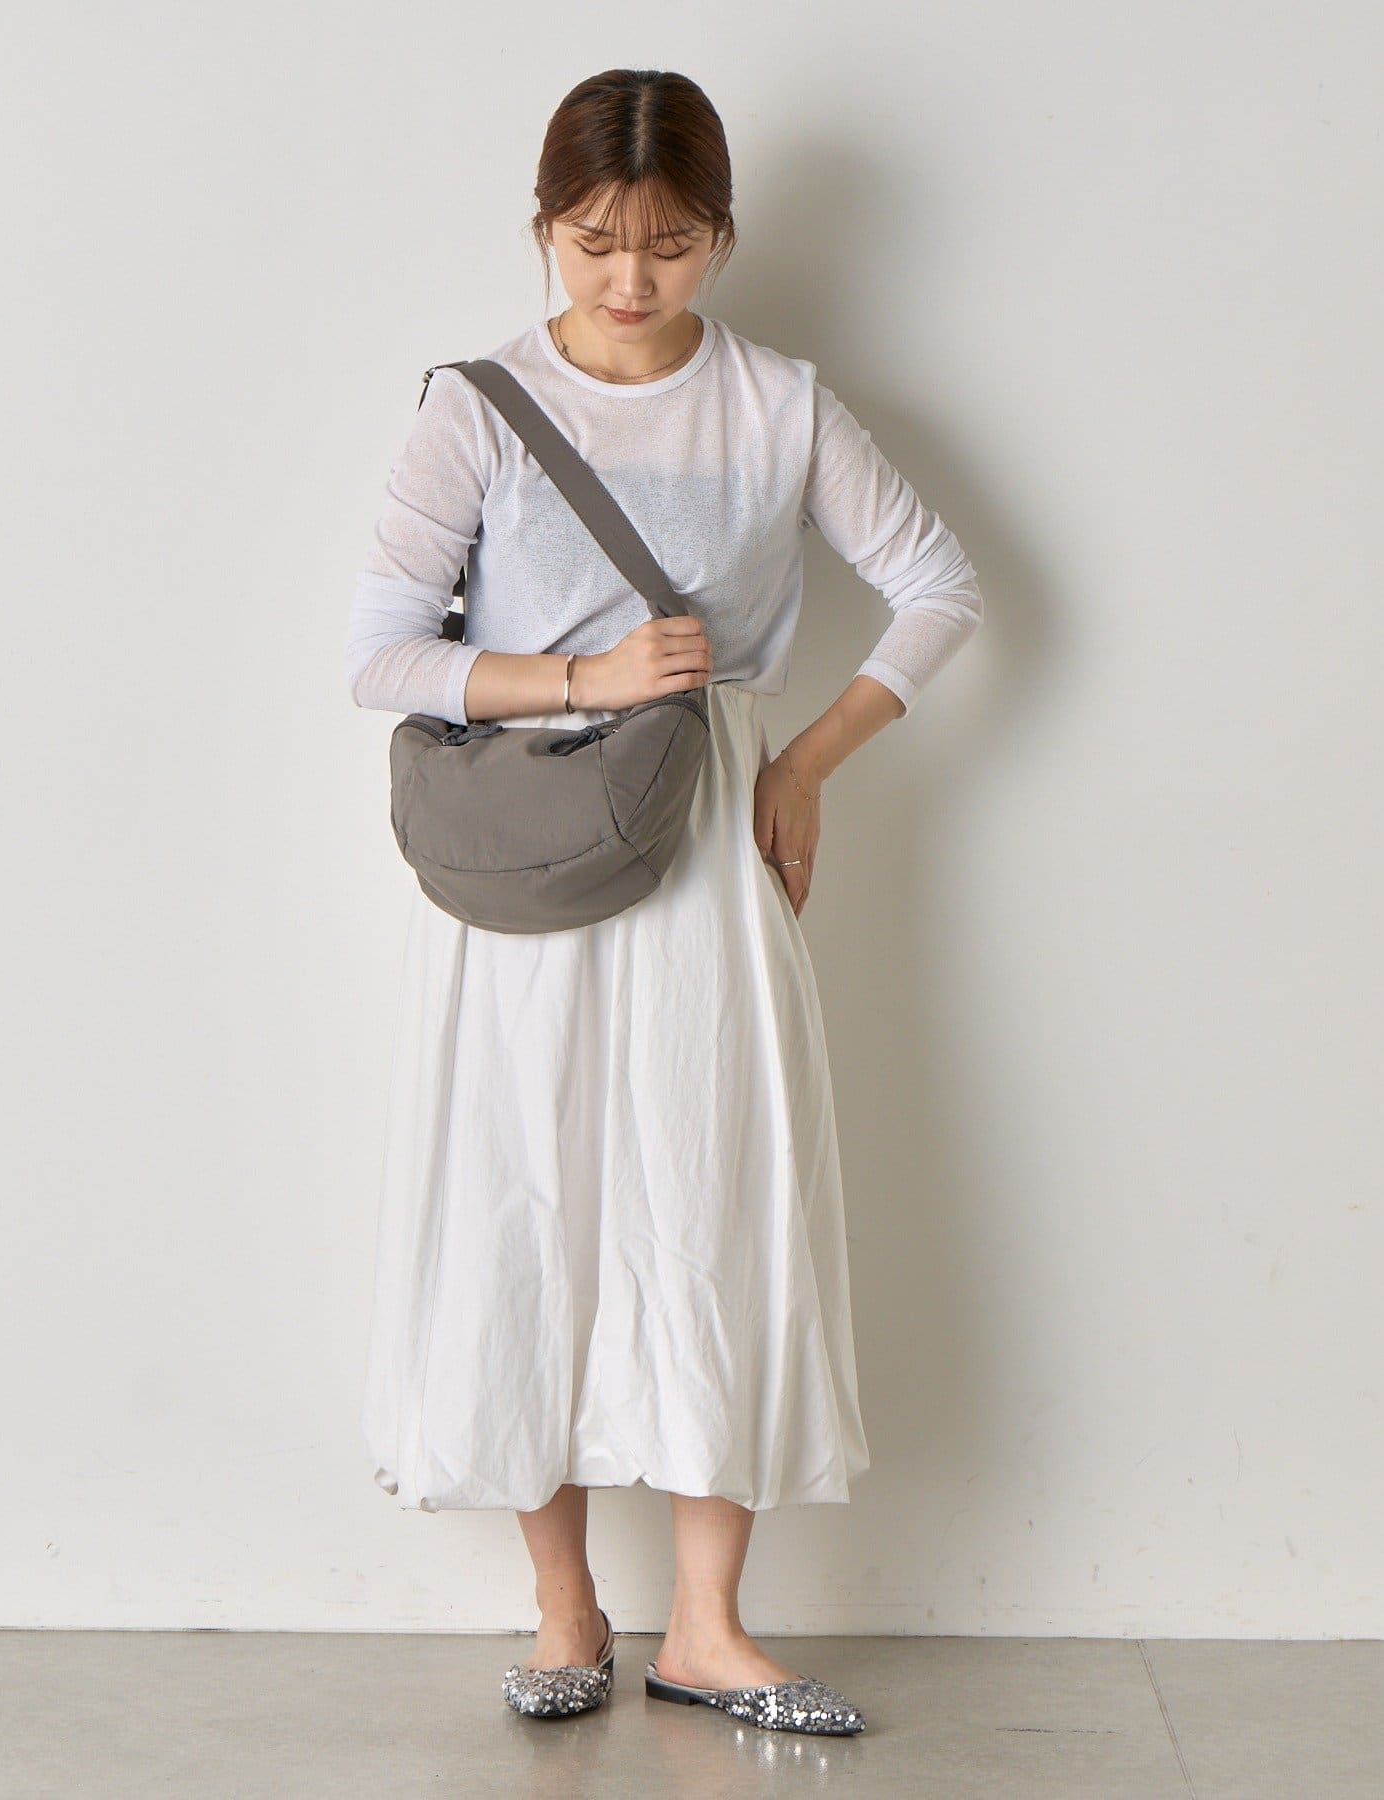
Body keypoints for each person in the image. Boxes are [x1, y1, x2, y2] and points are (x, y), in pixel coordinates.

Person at [345, 68, 982, 1736]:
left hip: (703, 849)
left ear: (723, 236)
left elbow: (938, 586)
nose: (629, 279)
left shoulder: (779, 404)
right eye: (593, 240)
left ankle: (706, 1626)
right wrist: (583, 674)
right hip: (521, 857)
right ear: (544, 227)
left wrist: (808, 760)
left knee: (714, 1196)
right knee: (521, 1198)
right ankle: (565, 1609)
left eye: (672, 243)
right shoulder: (479, 406)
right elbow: (380, 653)